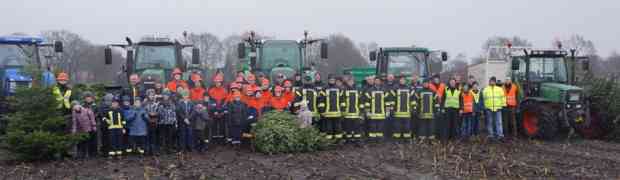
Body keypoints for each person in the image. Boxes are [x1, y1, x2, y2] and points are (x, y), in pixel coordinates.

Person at [318, 74, 344, 140]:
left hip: (337, 113)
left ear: (335, 80)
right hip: (327, 113)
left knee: (338, 128)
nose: (332, 81)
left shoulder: (339, 89)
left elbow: (342, 101)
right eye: (331, 80)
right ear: (328, 80)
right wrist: (322, 111)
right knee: (329, 128)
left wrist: (342, 110)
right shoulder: (324, 89)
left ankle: (338, 141)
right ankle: (329, 142)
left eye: (333, 80)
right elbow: (321, 101)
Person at [208, 73, 228, 143]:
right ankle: (214, 140)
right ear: (214, 82)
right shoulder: (211, 91)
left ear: (221, 82)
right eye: (216, 82)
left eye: (219, 82)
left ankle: (222, 140)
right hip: (214, 112)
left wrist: (222, 111)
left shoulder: (225, 91)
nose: (218, 83)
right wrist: (214, 111)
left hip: (222, 112)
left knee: (222, 126)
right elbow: (210, 102)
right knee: (214, 126)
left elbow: (225, 102)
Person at [342, 76, 363, 141]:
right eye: (349, 81)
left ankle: (357, 140)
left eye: (352, 81)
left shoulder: (358, 90)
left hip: (356, 112)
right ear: (347, 82)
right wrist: (343, 110)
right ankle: (348, 140)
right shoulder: (344, 90)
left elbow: (361, 101)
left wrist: (361, 111)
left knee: (357, 127)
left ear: (354, 82)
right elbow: (342, 101)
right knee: (348, 127)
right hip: (347, 113)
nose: (350, 82)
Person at [81, 91, 99, 156]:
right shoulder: (82, 106)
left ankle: (94, 153)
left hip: (94, 125)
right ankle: (85, 153)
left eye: (90, 97)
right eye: (87, 98)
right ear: (84, 98)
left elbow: (97, 114)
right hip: (85, 125)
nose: (88, 99)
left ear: (92, 98)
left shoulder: (95, 106)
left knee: (94, 139)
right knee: (86, 139)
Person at [143, 89, 161, 155]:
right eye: (150, 95)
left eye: (153, 95)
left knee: (154, 136)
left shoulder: (157, 103)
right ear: (148, 96)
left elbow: (159, 112)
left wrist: (155, 115)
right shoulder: (145, 103)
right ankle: (147, 150)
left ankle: (154, 150)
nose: (151, 96)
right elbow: (143, 112)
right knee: (147, 136)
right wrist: (148, 118)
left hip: (155, 122)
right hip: (147, 122)